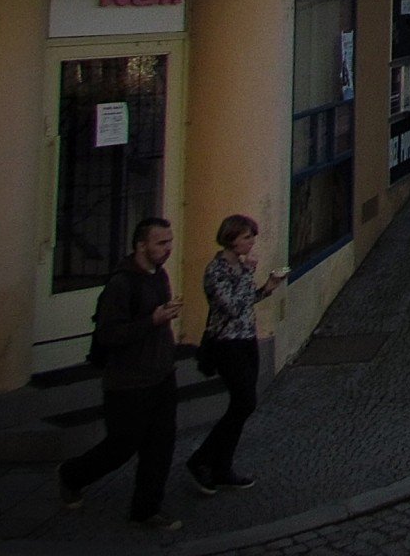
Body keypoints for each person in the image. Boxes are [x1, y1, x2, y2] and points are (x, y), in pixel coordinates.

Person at [58, 217, 184, 531]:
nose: (168, 249)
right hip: (128, 383)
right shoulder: (121, 284)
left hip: (161, 376)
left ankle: (146, 510)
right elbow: (109, 335)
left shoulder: (160, 275)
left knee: (160, 447)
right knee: (121, 446)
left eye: (169, 242)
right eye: (161, 243)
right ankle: (73, 475)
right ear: (141, 245)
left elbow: (157, 325)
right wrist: (152, 321)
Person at [184, 215, 283, 496]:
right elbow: (231, 307)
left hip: (246, 340)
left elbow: (248, 301)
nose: (252, 243)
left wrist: (267, 288)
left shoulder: (238, 267)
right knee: (243, 403)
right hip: (226, 344)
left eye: (252, 237)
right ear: (231, 239)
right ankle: (201, 460)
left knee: (244, 405)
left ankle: (222, 466)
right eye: (247, 238)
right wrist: (248, 276)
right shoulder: (216, 270)